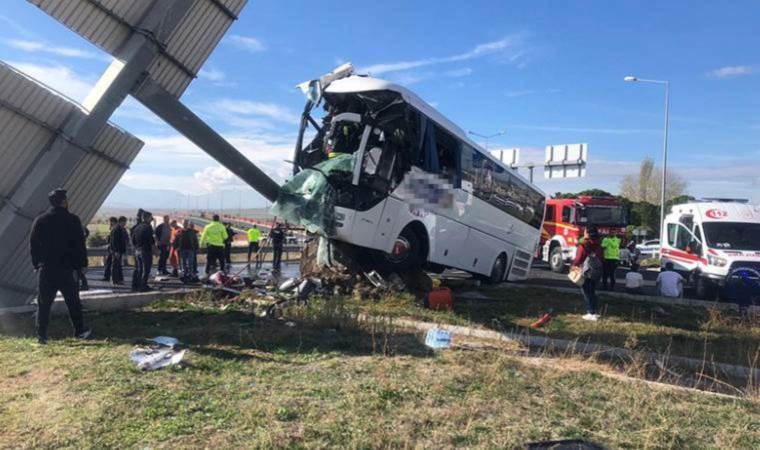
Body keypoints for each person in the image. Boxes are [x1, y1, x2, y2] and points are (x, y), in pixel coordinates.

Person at [29, 188, 91, 344]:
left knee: (44, 303)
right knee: (73, 302)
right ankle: (79, 331)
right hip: (67, 269)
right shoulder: (73, 220)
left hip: (47, 269)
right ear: (64, 202)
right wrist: (82, 265)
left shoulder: (40, 220)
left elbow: (33, 245)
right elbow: (79, 245)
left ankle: (42, 336)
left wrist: (37, 264)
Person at [572, 226, 603, 321]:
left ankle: (591, 312)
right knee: (592, 291)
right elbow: (602, 258)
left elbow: (579, 258)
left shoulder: (584, 244)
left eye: (585, 231)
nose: (584, 233)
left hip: (587, 270)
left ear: (588, 234)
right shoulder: (599, 244)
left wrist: (574, 266)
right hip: (597, 270)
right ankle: (595, 312)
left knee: (586, 291)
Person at [132, 211, 155, 292]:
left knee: (139, 269)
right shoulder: (148, 227)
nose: (151, 219)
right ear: (147, 218)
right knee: (146, 269)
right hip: (145, 251)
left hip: (137, 250)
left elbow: (133, 240)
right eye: (150, 218)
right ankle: (143, 286)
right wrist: (155, 250)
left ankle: (138, 285)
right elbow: (151, 240)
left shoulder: (137, 227)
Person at [108, 216, 128, 285]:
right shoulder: (117, 229)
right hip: (116, 251)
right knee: (115, 266)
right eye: (124, 222)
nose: (125, 223)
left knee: (118, 266)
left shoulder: (119, 228)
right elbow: (114, 241)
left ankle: (119, 280)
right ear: (121, 221)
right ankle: (115, 280)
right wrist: (116, 251)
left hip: (118, 251)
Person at [130, 209, 144, 290]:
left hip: (135, 249)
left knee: (137, 267)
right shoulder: (140, 227)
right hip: (139, 249)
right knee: (140, 268)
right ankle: (138, 284)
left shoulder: (134, 227)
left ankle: (135, 285)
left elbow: (132, 240)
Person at [101, 217, 118, 282]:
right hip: (111, 249)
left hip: (113, 249)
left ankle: (113, 279)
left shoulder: (116, 229)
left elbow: (114, 241)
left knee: (114, 265)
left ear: (113, 222)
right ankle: (107, 277)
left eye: (110, 222)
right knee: (108, 264)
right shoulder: (112, 228)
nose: (110, 223)